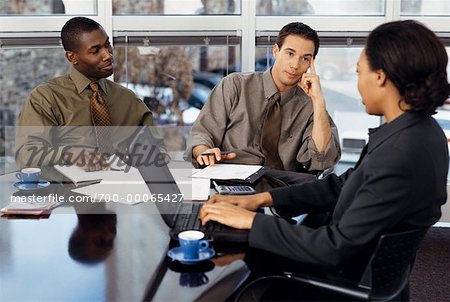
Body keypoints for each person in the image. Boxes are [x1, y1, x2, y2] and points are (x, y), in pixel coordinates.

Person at [199, 20, 449, 271]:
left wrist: (252, 222)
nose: (358, 83)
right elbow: (340, 186)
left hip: (337, 281)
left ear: (380, 77)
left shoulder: (399, 153)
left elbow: (333, 248)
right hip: (357, 266)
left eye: (359, 72)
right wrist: (260, 200)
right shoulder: (422, 133)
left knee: (224, 260)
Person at [185, 22, 340, 174]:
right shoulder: (235, 85)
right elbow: (202, 134)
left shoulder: (311, 104)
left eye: (305, 58)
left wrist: (319, 101)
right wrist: (204, 153)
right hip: (231, 182)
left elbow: (322, 159)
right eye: (290, 54)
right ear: (276, 51)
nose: (295, 65)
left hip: (281, 189)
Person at [15, 17, 153, 172]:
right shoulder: (46, 98)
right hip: (66, 193)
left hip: (123, 191)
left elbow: (156, 153)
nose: (107, 55)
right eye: (95, 51)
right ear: (72, 57)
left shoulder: (128, 99)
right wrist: (68, 153)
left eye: (107, 45)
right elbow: (25, 155)